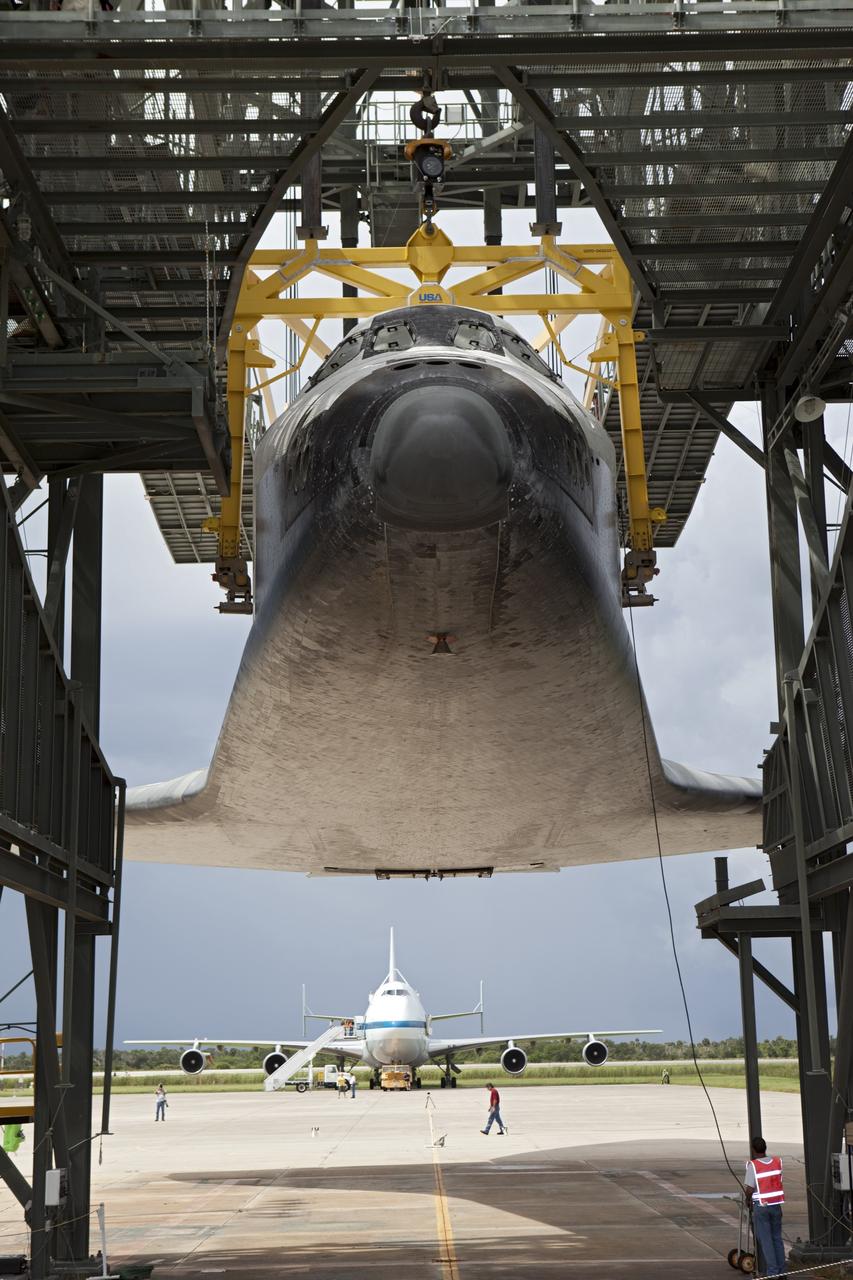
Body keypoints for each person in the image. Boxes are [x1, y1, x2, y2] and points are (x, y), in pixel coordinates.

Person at [745, 1135, 786, 1276]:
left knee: (766, 1240)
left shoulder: (754, 1166)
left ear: (753, 1150)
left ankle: (773, 1272)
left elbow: (749, 1189)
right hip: (776, 1205)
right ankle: (782, 1271)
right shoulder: (776, 1162)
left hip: (761, 1207)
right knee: (777, 1238)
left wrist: (747, 1199)